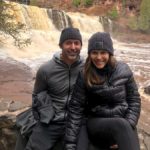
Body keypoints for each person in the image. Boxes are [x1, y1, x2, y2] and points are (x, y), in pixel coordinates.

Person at [64, 32, 141, 150]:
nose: (99, 57)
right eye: (94, 52)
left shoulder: (124, 70)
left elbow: (134, 100)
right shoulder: (84, 74)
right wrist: (70, 143)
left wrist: (129, 125)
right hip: (96, 123)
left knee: (122, 125)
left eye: (103, 52)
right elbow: (76, 108)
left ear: (110, 53)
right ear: (90, 54)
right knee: (121, 125)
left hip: (122, 123)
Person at [16, 27, 89, 150]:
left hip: (77, 121)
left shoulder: (87, 68)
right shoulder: (46, 70)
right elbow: (37, 96)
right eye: (68, 43)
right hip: (52, 121)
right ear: (61, 45)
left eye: (76, 43)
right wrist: (45, 116)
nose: (73, 47)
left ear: (81, 46)